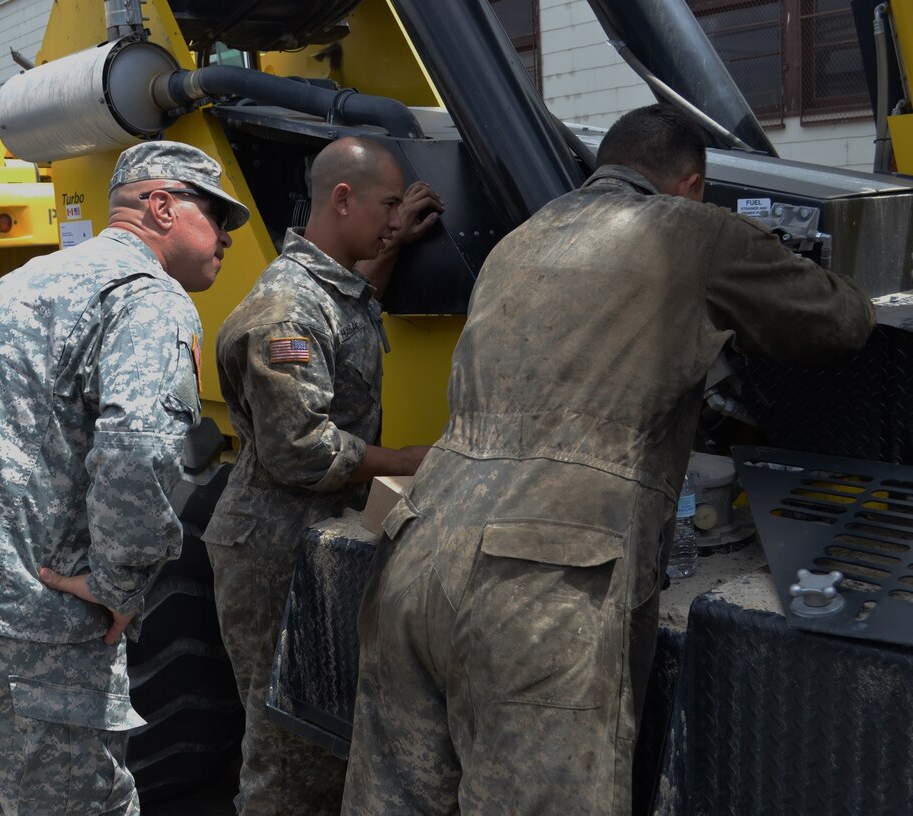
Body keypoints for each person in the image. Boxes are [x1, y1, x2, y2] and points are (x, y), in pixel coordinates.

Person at [341, 104, 876, 816]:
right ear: (689, 185)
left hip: (415, 554)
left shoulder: (518, 241)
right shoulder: (689, 230)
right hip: (540, 591)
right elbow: (841, 321)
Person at [0, 140, 249, 816]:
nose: (228, 236)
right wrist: (120, 587)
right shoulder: (148, 298)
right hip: (30, 618)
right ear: (162, 206)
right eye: (217, 216)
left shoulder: (26, 281)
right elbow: (140, 449)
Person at [203, 135, 444, 815]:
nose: (395, 217)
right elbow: (301, 448)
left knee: (325, 730)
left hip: (311, 534)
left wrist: (391, 240)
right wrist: (410, 461)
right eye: (386, 204)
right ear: (343, 199)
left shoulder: (328, 289)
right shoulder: (288, 309)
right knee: (287, 744)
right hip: (272, 547)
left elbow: (351, 314)